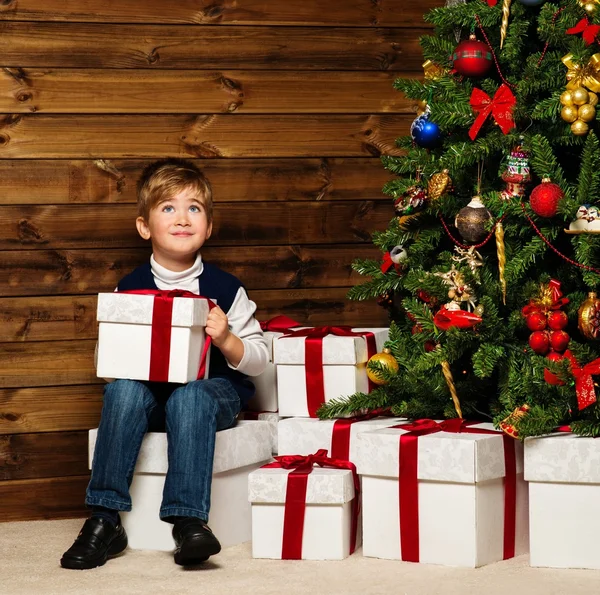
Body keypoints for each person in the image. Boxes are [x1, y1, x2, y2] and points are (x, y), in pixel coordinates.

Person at [60, 158, 269, 570]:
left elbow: (259, 362)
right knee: (121, 389)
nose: (182, 218)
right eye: (168, 208)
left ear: (208, 226)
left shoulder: (226, 289)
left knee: (190, 398)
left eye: (194, 208)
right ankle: (104, 518)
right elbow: (111, 364)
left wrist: (226, 337)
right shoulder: (130, 287)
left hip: (212, 396)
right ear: (144, 226)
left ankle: (188, 520)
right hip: (153, 397)